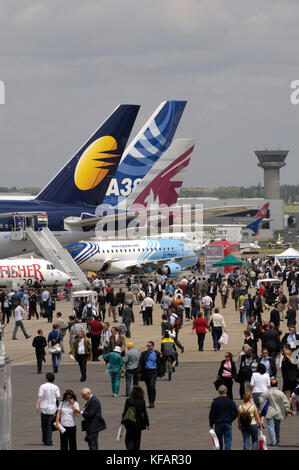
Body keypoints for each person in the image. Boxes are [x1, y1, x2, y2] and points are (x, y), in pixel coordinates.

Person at [259, 378, 291, 446]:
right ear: (277, 385)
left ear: (270, 385)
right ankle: (277, 439)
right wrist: (287, 410)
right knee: (277, 426)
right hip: (279, 412)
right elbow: (285, 403)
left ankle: (273, 441)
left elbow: (261, 400)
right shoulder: (281, 393)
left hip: (269, 412)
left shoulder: (266, 392)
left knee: (270, 427)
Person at [209, 384, 238, 451]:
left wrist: (211, 424)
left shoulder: (215, 402)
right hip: (227, 422)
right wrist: (231, 419)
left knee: (218, 441)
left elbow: (212, 414)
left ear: (219, 392)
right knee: (228, 441)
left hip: (218, 423)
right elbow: (236, 412)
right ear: (226, 391)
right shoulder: (230, 401)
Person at [121, 385, 150, 450]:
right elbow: (145, 414)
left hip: (130, 423)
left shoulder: (128, 401)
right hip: (138, 424)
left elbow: (125, 412)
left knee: (128, 439)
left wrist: (122, 421)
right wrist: (147, 424)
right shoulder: (142, 402)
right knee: (137, 439)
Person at [35, 372, 60, 447]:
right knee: (49, 424)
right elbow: (57, 397)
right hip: (52, 408)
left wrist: (37, 404)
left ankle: (45, 439)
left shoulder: (42, 386)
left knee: (44, 424)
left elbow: (40, 396)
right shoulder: (56, 387)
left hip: (44, 407)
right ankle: (49, 440)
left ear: (46, 379)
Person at [137, 341, 162, 408]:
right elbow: (140, 363)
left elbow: (160, 363)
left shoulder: (157, 353)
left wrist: (161, 372)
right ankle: (150, 402)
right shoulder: (144, 354)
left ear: (153, 346)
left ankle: (152, 402)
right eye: (147, 346)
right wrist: (139, 372)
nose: (148, 347)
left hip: (154, 372)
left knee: (152, 386)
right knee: (148, 388)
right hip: (146, 372)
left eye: (149, 346)